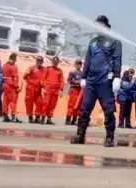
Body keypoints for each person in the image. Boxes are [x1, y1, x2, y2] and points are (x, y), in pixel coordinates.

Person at [70, 15, 122, 147]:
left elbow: (117, 59)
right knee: (84, 109)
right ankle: (80, 135)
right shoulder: (93, 42)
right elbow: (88, 60)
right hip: (91, 82)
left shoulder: (115, 41)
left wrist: (117, 76)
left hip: (105, 81)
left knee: (108, 110)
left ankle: (109, 137)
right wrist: (83, 76)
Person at [23, 56, 46, 123]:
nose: (39, 62)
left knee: (40, 103)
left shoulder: (44, 69)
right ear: (36, 61)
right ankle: (30, 117)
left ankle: (37, 117)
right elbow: (25, 76)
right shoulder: (31, 68)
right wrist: (30, 82)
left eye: (40, 61)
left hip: (38, 89)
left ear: (42, 62)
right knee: (29, 103)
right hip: (30, 89)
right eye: (38, 60)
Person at [42, 56, 64, 125]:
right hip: (48, 90)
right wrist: (45, 87)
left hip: (55, 91)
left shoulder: (60, 71)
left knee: (52, 105)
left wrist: (62, 91)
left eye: (56, 62)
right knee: (46, 104)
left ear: (58, 63)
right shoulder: (47, 69)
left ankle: (49, 119)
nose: (55, 63)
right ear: (52, 62)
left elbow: (62, 81)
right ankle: (42, 118)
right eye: (54, 61)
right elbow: (43, 79)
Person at [1, 53, 21, 123]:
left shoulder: (4, 65)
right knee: (13, 102)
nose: (15, 61)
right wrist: (17, 87)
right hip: (11, 86)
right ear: (14, 59)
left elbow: (2, 76)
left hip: (5, 85)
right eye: (15, 59)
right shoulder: (13, 67)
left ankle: (5, 116)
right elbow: (15, 78)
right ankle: (13, 117)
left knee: (5, 101)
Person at [65, 59, 83, 125]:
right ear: (75, 65)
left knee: (78, 105)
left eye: (80, 64)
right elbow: (69, 80)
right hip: (74, 89)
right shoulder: (72, 72)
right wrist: (76, 81)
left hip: (80, 90)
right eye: (77, 64)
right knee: (71, 105)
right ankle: (68, 119)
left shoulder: (82, 73)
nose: (78, 65)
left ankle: (74, 120)